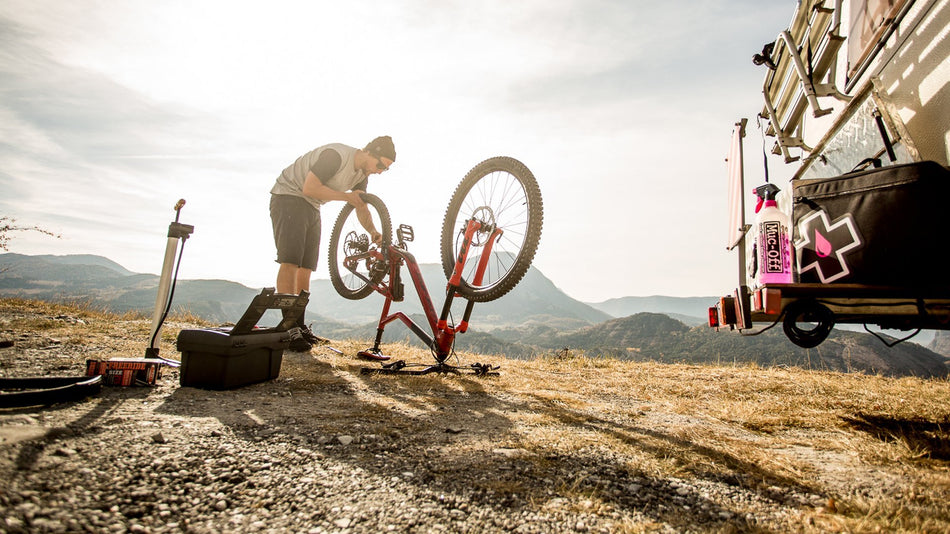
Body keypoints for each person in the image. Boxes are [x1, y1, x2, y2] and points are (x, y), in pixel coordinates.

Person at [269, 136, 396, 351]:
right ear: (368, 152)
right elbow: (309, 187)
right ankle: (288, 328)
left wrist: (373, 231)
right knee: (290, 261)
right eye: (380, 165)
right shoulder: (335, 156)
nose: (380, 171)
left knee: (306, 267)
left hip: (312, 206)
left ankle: (299, 326)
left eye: (386, 169)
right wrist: (346, 196)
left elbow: (361, 206)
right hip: (288, 197)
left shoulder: (361, 175)